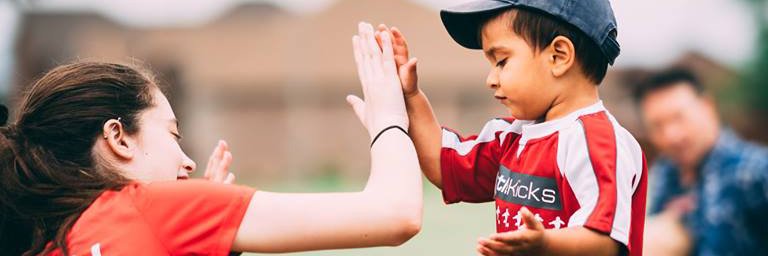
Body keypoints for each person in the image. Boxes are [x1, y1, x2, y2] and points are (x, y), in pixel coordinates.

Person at [0, 22, 423, 255]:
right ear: (119, 138)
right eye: (171, 134)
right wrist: (389, 116)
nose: (187, 162)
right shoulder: (149, 207)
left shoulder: (43, 240)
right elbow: (395, 214)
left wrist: (209, 240)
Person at [374, 0, 648, 255]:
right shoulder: (512, 136)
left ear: (559, 56)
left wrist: (545, 244)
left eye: (502, 61)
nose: (491, 80)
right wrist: (411, 96)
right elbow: (445, 167)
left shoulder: (596, 142)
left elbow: (606, 239)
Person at [635, 68, 768, 255]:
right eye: (657, 125)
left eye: (678, 118)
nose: (672, 135)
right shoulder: (659, 176)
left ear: (707, 106)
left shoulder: (755, 171)